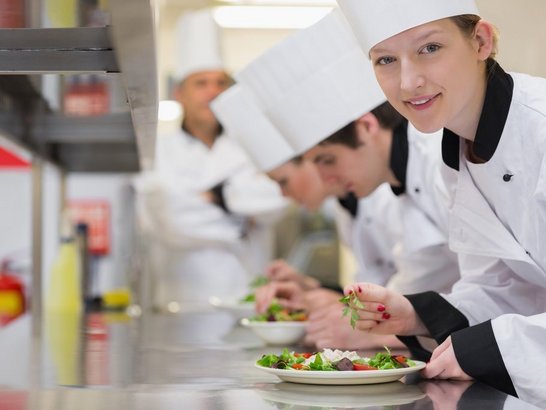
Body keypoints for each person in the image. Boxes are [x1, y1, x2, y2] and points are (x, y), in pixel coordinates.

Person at [336, 0, 546, 405]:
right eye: (385, 60)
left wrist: (495, 344)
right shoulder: (456, 156)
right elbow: (507, 286)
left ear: (482, 41)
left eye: (429, 48)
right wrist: (418, 313)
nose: (407, 82)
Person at [235, 10, 460, 349]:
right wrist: (320, 297)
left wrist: (375, 329)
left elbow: (492, 295)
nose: (325, 179)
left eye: (327, 161)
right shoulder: (400, 181)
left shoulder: (442, 165)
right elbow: (411, 288)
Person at [211, 84, 404, 350]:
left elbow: (423, 297)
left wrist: (337, 305)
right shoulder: (345, 206)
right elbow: (382, 286)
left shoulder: (387, 192)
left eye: (284, 181)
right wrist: (311, 288)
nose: (283, 194)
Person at [134, 9, 286, 308]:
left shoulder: (254, 147)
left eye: (220, 83)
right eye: (201, 83)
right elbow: (167, 220)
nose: (212, 92)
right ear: (180, 93)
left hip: (250, 301)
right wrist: (242, 220)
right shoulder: (157, 153)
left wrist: (209, 199)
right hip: (181, 303)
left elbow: (278, 200)